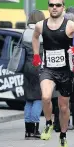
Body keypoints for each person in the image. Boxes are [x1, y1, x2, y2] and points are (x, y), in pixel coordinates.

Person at [32, 0, 74, 147]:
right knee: (45, 96)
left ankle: (63, 136)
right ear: (48, 7)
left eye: (58, 5)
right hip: (48, 69)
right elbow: (35, 37)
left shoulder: (70, 25)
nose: (54, 7)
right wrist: (36, 55)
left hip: (66, 71)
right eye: (51, 4)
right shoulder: (40, 25)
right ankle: (48, 123)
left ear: (63, 8)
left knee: (64, 107)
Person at [22, 10, 46, 139]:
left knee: (29, 98)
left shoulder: (25, 33)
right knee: (38, 97)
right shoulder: (42, 33)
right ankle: (35, 129)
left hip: (27, 67)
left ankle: (28, 130)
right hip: (39, 65)